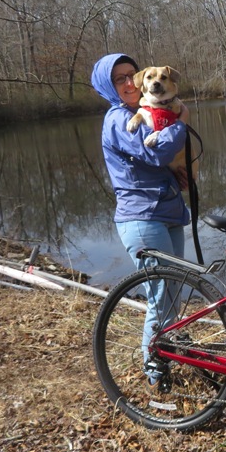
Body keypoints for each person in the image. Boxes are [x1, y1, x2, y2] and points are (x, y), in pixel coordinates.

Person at [91, 53, 190, 388]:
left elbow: (161, 162)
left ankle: (169, 351)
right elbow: (156, 152)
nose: (129, 82)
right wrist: (181, 123)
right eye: (120, 78)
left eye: (131, 74)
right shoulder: (118, 118)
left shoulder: (144, 112)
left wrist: (176, 174)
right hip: (142, 217)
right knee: (161, 295)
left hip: (167, 211)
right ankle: (155, 372)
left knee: (172, 293)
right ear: (108, 85)